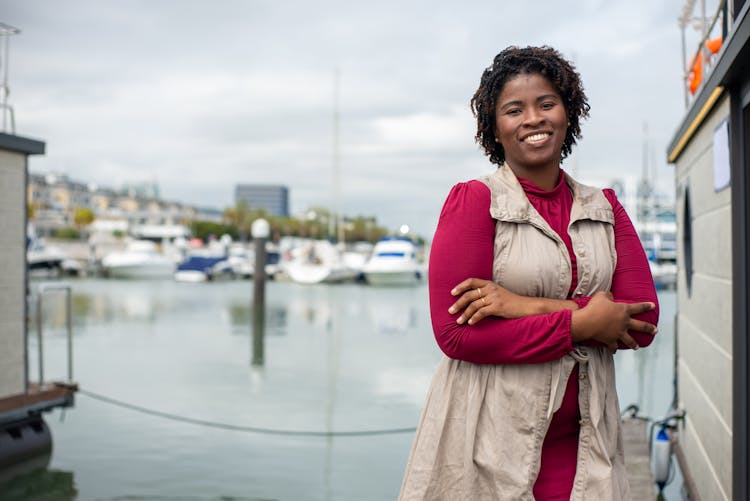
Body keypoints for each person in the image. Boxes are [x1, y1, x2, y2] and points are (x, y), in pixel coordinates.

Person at [398, 46, 659, 501]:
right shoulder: (474, 202)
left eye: (546, 104)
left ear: (568, 113)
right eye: (514, 110)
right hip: (489, 443)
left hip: (586, 442)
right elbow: (456, 336)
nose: (533, 119)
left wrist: (523, 306)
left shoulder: (606, 207)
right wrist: (584, 322)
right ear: (494, 128)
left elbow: (642, 321)